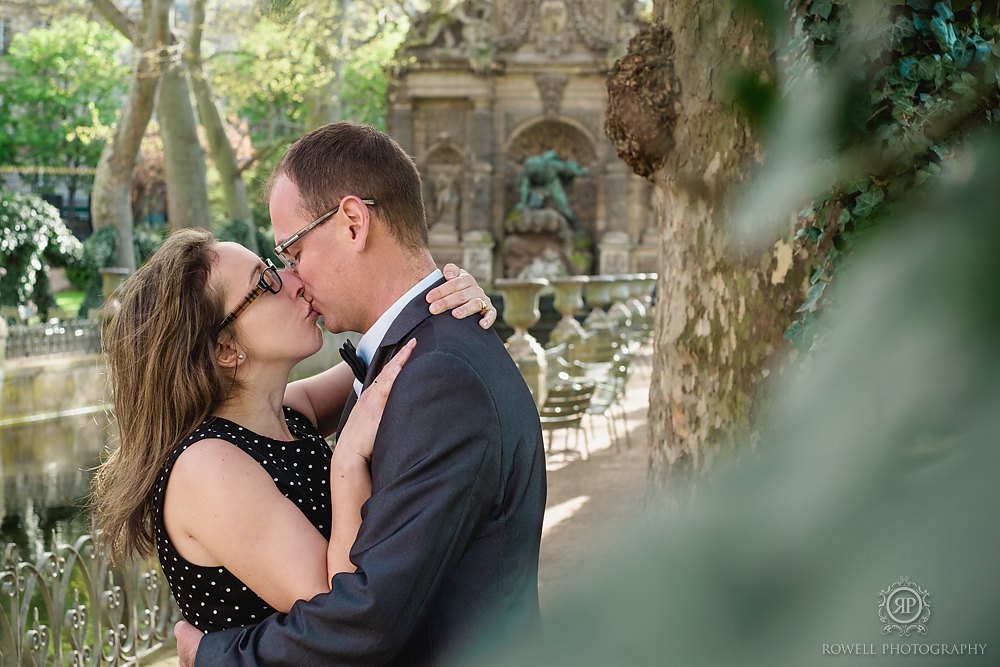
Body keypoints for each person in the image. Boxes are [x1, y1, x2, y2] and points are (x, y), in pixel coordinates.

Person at [177, 121, 547, 666]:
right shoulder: (416, 352)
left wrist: (211, 654)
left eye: (292, 250)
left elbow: (364, 618)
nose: (293, 277)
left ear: (353, 223)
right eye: (273, 272)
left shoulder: (437, 372)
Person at [90, 229, 496, 633]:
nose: (295, 281)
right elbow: (342, 611)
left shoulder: (286, 412)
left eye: (274, 266)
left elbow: (396, 353)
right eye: (265, 282)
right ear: (225, 350)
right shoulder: (208, 468)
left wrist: (444, 298)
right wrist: (348, 461)